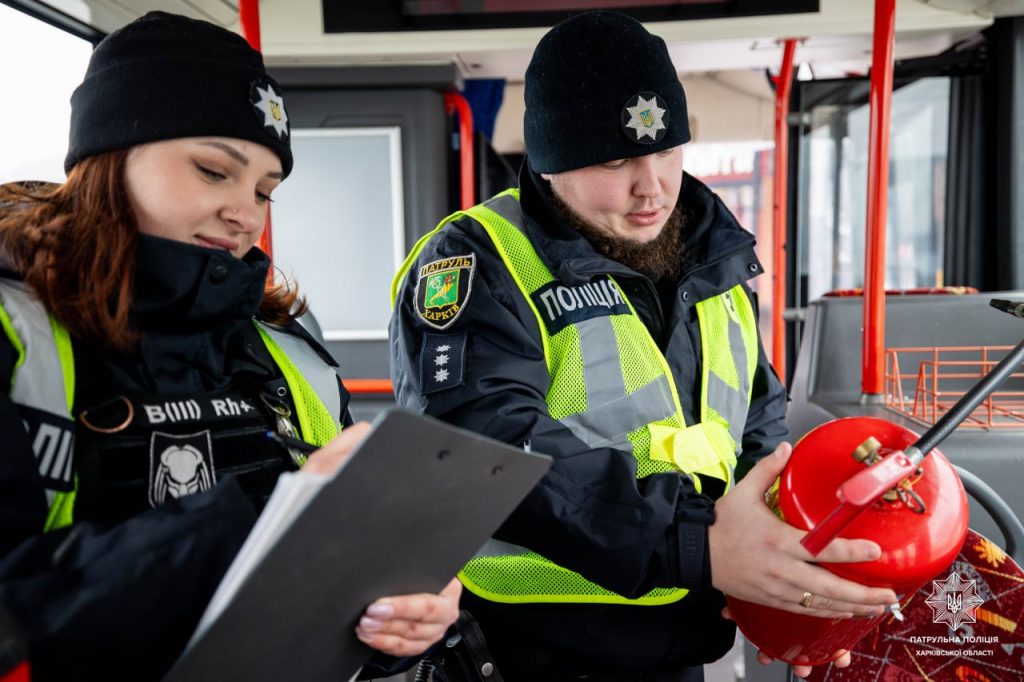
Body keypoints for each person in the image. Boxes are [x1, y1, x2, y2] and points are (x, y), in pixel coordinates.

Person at [390, 11, 897, 682]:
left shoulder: (712, 255)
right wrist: (701, 545)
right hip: (533, 649)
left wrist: (784, 591)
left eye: (666, 150)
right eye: (614, 157)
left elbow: (756, 418)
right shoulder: (477, 261)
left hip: (689, 637)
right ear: (548, 163)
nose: (651, 186)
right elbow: (484, 444)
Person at [0, 12, 458, 680]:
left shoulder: (289, 350)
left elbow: (347, 594)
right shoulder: (17, 335)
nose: (246, 213)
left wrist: (404, 617)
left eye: (265, 191)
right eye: (215, 171)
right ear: (108, 159)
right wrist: (255, 521)